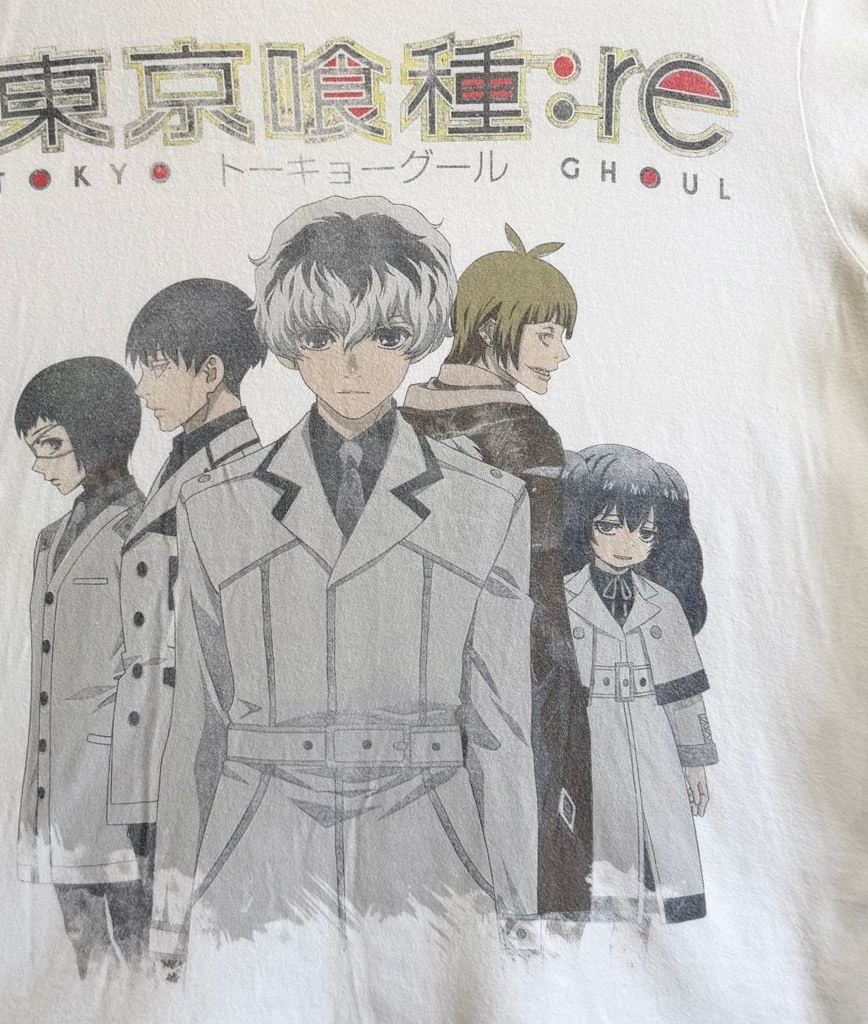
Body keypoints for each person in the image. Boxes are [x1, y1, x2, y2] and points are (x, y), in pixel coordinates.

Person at [147, 195, 542, 965]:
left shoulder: (489, 501)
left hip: (434, 840)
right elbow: (196, 724)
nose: (353, 364)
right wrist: (170, 918)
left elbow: (502, 731)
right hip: (254, 844)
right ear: (290, 345)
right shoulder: (215, 504)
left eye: (384, 336)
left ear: (418, 338)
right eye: (323, 336)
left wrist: (520, 913)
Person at [404, 225, 593, 920]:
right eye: (545, 335)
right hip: (518, 664)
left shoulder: (404, 418)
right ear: (490, 330)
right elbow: (541, 586)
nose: (560, 353)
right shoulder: (523, 434)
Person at [107, 279, 266, 833]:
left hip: (196, 757)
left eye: (157, 368)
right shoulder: (183, 459)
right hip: (149, 748)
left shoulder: (245, 478)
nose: (142, 388)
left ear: (211, 372)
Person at [13, 356, 149, 977]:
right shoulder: (48, 540)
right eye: (34, 449)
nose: (40, 465)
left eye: (51, 445)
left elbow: (151, 665)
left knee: (138, 941)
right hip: (54, 775)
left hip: (118, 782)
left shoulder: (144, 529)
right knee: (83, 943)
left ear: (96, 434)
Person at [562, 445, 718, 925]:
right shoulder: (562, 596)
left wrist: (694, 762)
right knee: (595, 856)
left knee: (659, 854)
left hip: (654, 737)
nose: (626, 543)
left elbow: (685, 695)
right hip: (590, 734)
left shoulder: (665, 604)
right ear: (585, 524)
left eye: (644, 532)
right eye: (611, 526)